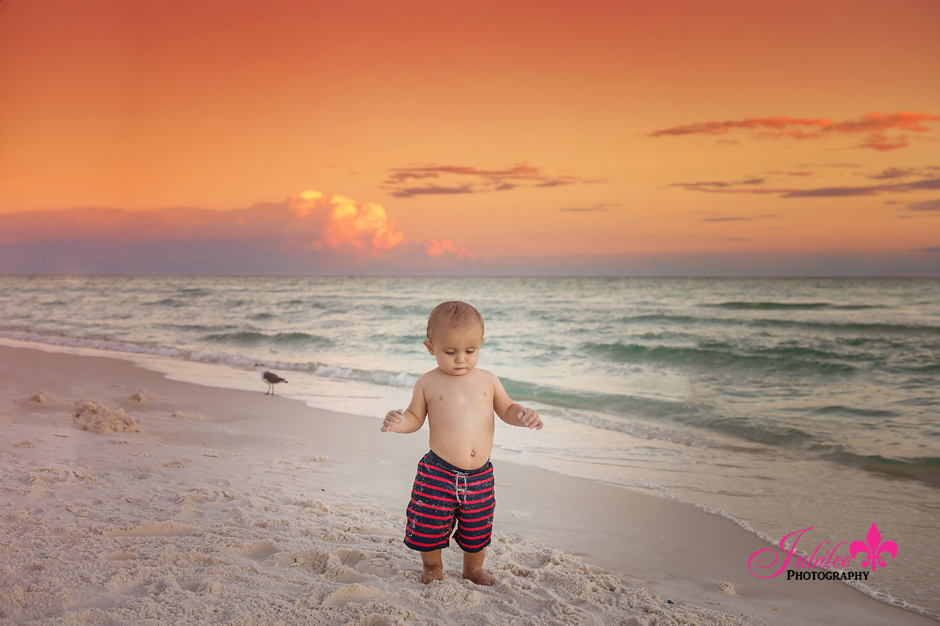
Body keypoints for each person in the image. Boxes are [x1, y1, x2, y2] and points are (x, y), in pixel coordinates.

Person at [381, 301, 544, 585]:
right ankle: (432, 568)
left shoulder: (488, 380)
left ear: (480, 344)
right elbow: (415, 417)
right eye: (450, 352)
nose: (461, 359)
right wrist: (400, 422)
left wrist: (522, 415)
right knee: (428, 525)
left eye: (470, 351)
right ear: (430, 347)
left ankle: (473, 570)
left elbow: (506, 409)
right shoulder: (427, 383)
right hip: (438, 471)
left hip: (480, 474)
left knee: (477, 528)